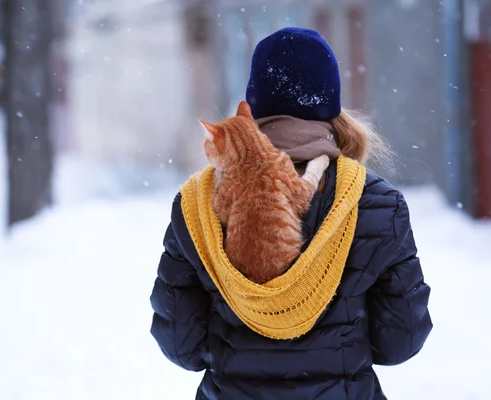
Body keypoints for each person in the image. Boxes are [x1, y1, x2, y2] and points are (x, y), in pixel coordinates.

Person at [150, 27, 432, 400]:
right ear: (330, 103)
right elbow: (400, 342)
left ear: (254, 103)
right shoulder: (377, 204)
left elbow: (182, 347)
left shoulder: (197, 206)